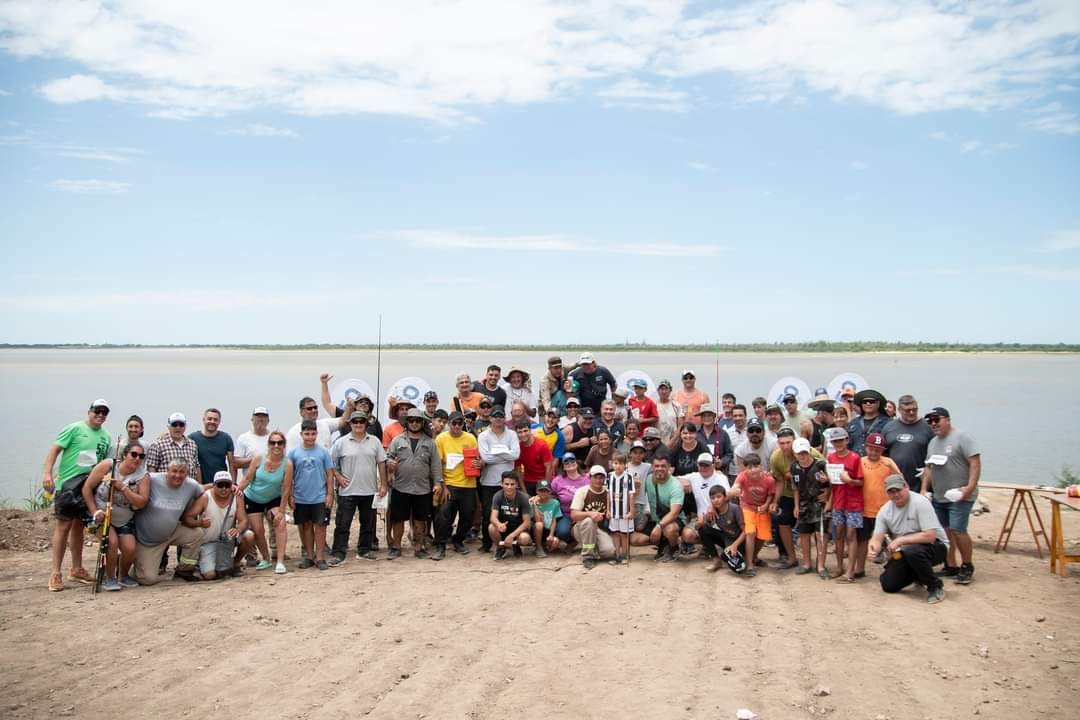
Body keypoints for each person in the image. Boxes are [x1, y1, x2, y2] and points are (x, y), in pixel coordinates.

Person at [42, 399, 113, 591]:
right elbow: (55, 450)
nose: (100, 415)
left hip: (89, 485)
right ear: (89, 411)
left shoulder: (106, 436)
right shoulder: (74, 428)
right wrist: (47, 474)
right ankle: (55, 573)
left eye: (104, 412)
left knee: (78, 527)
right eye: (97, 411)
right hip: (68, 483)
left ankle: (77, 568)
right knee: (63, 525)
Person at [921, 407, 981, 585]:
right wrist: (925, 489)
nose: (933, 424)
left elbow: (975, 463)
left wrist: (969, 488)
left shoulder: (963, 438)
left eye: (936, 419)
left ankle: (967, 565)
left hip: (959, 495)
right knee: (945, 532)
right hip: (940, 496)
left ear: (947, 419)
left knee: (958, 529)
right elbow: (928, 469)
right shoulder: (932, 443)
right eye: (929, 421)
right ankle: (951, 564)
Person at [869, 475, 949, 604]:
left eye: (898, 490)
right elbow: (876, 538)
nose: (895, 495)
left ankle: (935, 586)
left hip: (936, 546)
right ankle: (918, 573)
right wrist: (873, 548)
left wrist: (899, 541)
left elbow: (930, 536)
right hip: (906, 551)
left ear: (906, 487)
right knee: (888, 585)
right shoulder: (885, 511)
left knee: (912, 551)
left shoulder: (921, 502)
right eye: (891, 492)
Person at [81, 441, 150, 590]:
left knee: (130, 548)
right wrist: (95, 511)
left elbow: (142, 502)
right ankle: (110, 577)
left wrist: (123, 488)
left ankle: (123, 575)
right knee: (111, 543)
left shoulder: (143, 476)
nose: (137, 458)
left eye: (141, 456)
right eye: (134, 454)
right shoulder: (108, 466)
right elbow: (87, 488)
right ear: (124, 455)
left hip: (124, 519)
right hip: (102, 515)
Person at [132, 459, 206, 584]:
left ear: (187, 473)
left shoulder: (191, 485)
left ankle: (184, 570)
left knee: (197, 534)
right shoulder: (151, 479)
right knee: (147, 579)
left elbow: (205, 491)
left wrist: (230, 486)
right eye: (174, 471)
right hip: (147, 541)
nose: (178, 475)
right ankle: (127, 561)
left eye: (182, 472)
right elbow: (132, 483)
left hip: (171, 532)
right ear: (167, 470)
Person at [329, 411, 388, 564]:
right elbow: (330, 463)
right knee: (343, 524)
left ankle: (364, 550)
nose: (359, 424)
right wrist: (338, 476)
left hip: (369, 490)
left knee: (368, 524)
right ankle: (339, 553)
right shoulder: (341, 442)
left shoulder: (374, 441)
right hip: (347, 491)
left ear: (366, 423)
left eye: (362, 421)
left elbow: (382, 463)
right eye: (355, 421)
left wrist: (383, 485)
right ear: (350, 424)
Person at [386, 409, 441, 558]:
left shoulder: (430, 442)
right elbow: (388, 457)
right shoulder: (397, 440)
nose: (414, 423)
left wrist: (438, 483)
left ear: (422, 423)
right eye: (411, 420)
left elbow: (435, 465)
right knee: (397, 520)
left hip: (422, 488)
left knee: (420, 520)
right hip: (400, 487)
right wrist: (390, 464)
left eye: (417, 420)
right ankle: (397, 547)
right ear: (407, 422)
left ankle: (419, 547)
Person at [239, 429, 292, 574]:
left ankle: (280, 561)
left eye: (280, 443)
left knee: (280, 523)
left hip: (273, 498)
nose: (276, 445)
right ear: (268, 444)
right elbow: (247, 479)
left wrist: (281, 511)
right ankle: (266, 558)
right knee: (258, 530)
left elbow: (286, 488)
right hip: (253, 497)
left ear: (284, 445)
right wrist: (237, 490)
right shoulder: (258, 458)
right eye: (273, 442)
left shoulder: (287, 464)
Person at [288, 420, 335, 571]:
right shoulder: (293, 453)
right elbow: (290, 478)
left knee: (320, 527)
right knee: (306, 527)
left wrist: (329, 494)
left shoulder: (323, 452)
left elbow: (329, 475)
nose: (310, 437)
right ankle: (309, 556)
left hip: (319, 497)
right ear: (301, 434)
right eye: (307, 434)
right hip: (301, 497)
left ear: (317, 434)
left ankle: (320, 557)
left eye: (313, 434)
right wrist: (290, 496)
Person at [432, 411, 480, 560]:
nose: (457, 426)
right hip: (450, 484)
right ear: (449, 424)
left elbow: (477, 460)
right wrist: (443, 486)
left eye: (460, 423)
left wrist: (479, 464)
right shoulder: (441, 439)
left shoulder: (470, 438)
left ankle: (458, 540)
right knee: (443, 515)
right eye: (454, 423)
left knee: (468, 517)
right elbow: (438, 465)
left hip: (468, 484)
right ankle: (440, 545)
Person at [855, 432, 902, 576]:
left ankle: (895, 567)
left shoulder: (888, 462)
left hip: (885, 510)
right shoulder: (860, 461)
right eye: (871, 448)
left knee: (891, 541)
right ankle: (860, 568)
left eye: (878, 449)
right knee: (862, 540)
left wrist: (892, 468)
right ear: (865, 447)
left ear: (882, 450)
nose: (874, 452)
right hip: (864, 509)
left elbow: (902, 482)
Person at [477, 406, 519, 553]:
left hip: (508, 483)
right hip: (488, 481)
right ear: (490, 418)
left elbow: (515, 455)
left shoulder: (512, 434)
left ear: (504, 417)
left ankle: (510, 542)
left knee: (509, 513)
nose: (498, 418)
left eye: (501, 416)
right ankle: (487, 543)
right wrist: (505, 453)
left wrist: (494, 455)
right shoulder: (483, 436)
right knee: (488, 513)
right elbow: (485, 457)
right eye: (495, 416)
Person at [198, 471, 255, 580]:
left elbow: (244, 520)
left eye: (227, 485)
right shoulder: (205, 497)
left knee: (249, 535)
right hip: (208, 542)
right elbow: (189, 516)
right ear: (214, 485)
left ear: (231, 486)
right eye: (220, 485)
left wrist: (237, 529)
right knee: (210, 575)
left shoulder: (237, 497)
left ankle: (235, 563)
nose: (224, 489)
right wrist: (199, 522)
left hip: (227, 540)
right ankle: (200, 563)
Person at [826, 427, 864, 582]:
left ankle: (850, 571)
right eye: (835, 441)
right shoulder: (830, 458)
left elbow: (861, 482)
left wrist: (851, 481)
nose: (838, 443)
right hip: (838, 501)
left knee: (851, 535)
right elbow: (831, 483)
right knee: (839, 534)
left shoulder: (855, 458)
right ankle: (840, 567)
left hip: (854, 502)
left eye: (841, 440)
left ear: (847, 440)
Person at [730, 453, 775, 576]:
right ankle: (750, 565)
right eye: (749, 467)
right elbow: (735, 487)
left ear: (761, 466)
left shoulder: (768, 479)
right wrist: (734, 491)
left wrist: (766, 505)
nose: (753, 470)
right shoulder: (742, 476)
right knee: (750, 532)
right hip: (747, 506)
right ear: (745, 469)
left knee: (762, 536)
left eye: (755, 466)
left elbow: (771, 494)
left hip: (762, 508)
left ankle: (754, 557)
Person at [790, 438, 829, 578]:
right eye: (799, 453)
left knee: (821, 535)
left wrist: (828, 485)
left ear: (810, 451)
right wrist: (795, 505)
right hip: (803, 505)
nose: (802, 456)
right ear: (794, 453)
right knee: (804, 535)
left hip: (819, 505)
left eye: (805, 453)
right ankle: (806, 563)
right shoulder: (794, 467)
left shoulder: (821, 464)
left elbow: (834, 483)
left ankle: (821, 565)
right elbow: (795, 488)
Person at [634, 454, 684, 563]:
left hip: (674, 520)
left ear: (669, 467)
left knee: (670, 530)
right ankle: (663, 543)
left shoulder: (675, 486)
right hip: (655, 518)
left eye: (663, 466)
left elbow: (674, 513)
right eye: (656, 466)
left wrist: (659, 527)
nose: (659, 469)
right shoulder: (648, 480)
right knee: (635, 539)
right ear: (652, 467)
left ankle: (674, 547)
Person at [679, 452, 730, 553]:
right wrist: (683, 481)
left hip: (719, 517)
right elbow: (673, 478)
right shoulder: (694, 476)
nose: (703, 468)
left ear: (713, 465)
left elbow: (727, 495)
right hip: (700, 518)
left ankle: (716, 545)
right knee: (687, 535)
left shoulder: (721, 478)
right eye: (701, 465)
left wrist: (712, 507)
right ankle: (708, 545)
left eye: (706, 465)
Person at [883, 395, 935, 492]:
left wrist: (928, 471)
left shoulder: (928, 427)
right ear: (899, 410)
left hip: (921, 483)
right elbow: (883, 455)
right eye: (907, 410)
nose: (911, 413)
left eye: (914, 410)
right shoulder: (889, 427)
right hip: (896, 483)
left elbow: (936, 452)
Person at [570, 465, 617, 569]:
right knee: (589, 521)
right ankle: (587, 556)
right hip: (580, 527)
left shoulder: (607, 492)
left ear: (605, 478)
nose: (598, 480)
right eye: (595, 477)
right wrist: (590, 514)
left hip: (598, 529)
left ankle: (593, 550)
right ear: (589, 477)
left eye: (601, 477)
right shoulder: (582, 491)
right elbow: (573, 514)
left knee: (609, 552)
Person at [767, 428, 800, 568]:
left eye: (788, 442)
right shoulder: (776, 457)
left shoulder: (806, 451)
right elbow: (779, 481)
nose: (786, 446)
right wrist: (775, 501)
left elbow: (823, 471)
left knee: (810, 527)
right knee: (782, 521)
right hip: (787, 494)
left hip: (808, 495)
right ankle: (791, 558)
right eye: (782, 443)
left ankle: (813, 562)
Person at [699, 485, 747, 573]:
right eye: (713, 498)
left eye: (719, 497)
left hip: (738, 540)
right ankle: (716, 560)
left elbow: (745, 531)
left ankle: (742, 555)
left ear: (725, 497)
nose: (716, 500)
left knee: (739, 568)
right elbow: (699, 526)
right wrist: (700, 522)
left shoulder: (734, 509)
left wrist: (735, 545)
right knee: (702, 529)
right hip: (726, 537)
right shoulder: (712, 512)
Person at [489, 470, 534, 559]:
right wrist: (499, 524)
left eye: (512, 484)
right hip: (503, 528)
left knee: (524, 538)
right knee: (491, 527)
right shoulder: (497, 496)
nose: (509, 487)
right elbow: (493, 517)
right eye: (506, 484)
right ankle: (500, 548)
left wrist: (512, 536)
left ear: (517, 485)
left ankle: (515, 546)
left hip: (518, 529)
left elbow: (526, 522)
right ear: (501, 484)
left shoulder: (523, 498)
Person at [146, 412, 202, 482]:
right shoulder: (158, 445)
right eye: (174, 424)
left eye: (181, 425)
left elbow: (196, 467)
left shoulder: (192, 444)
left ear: (185, 427)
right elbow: (151, 470)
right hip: (166, 490)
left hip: (189, 490)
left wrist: (200, 487)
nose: (178, 427)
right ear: (168, 426)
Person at [189, 408, 235, 487]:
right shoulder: (193, 438)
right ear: (203, 420)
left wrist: (233, 484)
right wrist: (165, 434)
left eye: (215, 420)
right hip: (200, 486)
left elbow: (232, 464)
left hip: (221, 485)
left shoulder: (226, 438)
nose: (212, 422)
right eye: (209, 419)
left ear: (219, 422)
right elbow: (179, 439)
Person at [550, 453, 588, 545]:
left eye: (572, 460)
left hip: (583, 512)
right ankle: (573, 541)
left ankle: (586, 542)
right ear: (563, 467)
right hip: (566, 514)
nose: (570, 463)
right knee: (561, 532)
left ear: (577, 463)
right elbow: (551, 496)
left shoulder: (586, 479)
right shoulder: (557, 480)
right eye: (566, 462)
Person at [605, 451, 635, 565]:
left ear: (625, 465)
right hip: (614, 511)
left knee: (624, 534)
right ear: (612, 464)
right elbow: (608, 493)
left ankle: (625, 555)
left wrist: (631, 511)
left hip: (625, 511)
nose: (618, 466)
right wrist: (608, 510)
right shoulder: (610, 476)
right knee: (615, 533)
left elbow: (631, 495)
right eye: (616, 463)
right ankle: (617, 554)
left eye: (621, 463)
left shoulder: (628, 477)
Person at [516, 418, 555, 494]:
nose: (523, 434)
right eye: (520, 432)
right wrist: (524, 492)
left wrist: (545, 487)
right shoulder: (518, 447)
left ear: (530, 430)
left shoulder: (542, 445)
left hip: (543, 479)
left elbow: (549, 467)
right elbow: (518, 471)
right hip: (528, 481)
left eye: (525, 431)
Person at [234, 407, 271, 484]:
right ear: (252, 419)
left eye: (264, 416)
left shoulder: (275, 438)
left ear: (268, 420)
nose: (260, 419)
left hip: (271, 487)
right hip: (249, 487)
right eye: (258, 416)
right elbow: (236, 463)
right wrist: (257, 459)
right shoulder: (243, 438)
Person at [848, 389, 889, 456]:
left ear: (878, 404)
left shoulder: (888, 423)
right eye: (865, 402)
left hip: (878, 463)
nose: (868, 404)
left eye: (871, 401)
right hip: (856, 463)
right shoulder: (853, 423)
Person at [696, 404, 733, 478]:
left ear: (714, 416)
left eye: (709, 415)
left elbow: (729, 454)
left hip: (718, 473)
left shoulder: (723, 434)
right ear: (701, 417)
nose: (707, 418)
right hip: (698, 473)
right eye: (704, 416)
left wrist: (721, 462)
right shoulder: (695, 433)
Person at [532, 479, 563, 555]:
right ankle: (538, 547)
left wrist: (551, 535)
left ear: (550, 492)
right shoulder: (532, 502)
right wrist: (534, 505)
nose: (543, 493)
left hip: (548, 529)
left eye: (546, 490)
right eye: (541, 490)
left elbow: (554, 520)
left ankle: (545, 545)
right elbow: (537, 520)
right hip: (536, 531)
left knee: (555, 542)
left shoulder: (555, 503)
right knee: (539, 524)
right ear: (536, 491)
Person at [724, 404, 750, 485]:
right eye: (735, 416)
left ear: (745, 416)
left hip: (750, 472)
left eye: (740, 415)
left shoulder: (752, 432)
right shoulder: (727, 433)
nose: (738, 418)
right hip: (733, 474)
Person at [655, 379, 683, 444]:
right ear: (658, 391)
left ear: (670, 390)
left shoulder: (677, 405)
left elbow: (681, 425)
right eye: (661, 389)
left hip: (674, 442)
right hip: (658, 443)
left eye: (666, 389)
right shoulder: (654, 405)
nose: (664, 391)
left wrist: (673, 440)